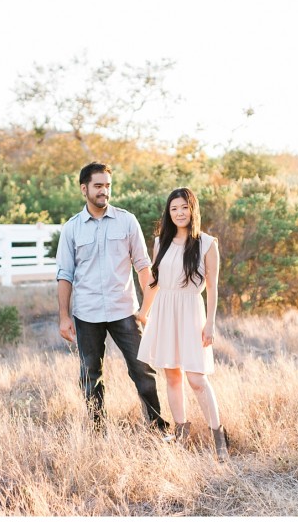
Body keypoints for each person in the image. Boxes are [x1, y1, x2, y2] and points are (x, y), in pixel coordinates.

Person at [56, 161, 169, 435]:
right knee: (90, 376)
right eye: (98, 186)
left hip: (125, 310)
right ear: (84, 189)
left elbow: (143, 266)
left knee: (143, 370)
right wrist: (63, 316)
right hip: (87, 313)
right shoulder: (72, 229)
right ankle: (98, 432)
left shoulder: (127, 221)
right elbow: (64, 275)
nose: (103, 191)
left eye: (107, 186)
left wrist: (146, 308)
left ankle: (157, 428)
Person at [136, 187, 229, 460]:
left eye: (184, 208)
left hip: (191, 311)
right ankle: (181, 434)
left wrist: (210, 324)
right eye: (174, 208)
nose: (179, 213)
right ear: (169, 212)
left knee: (197, 378)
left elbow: (212, 288)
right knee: (172, 375)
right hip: (165, 311)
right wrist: (143, 312)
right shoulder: (160, 243)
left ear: (193, 210)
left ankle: (219, 440)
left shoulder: (207, 244)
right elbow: (155, 282)